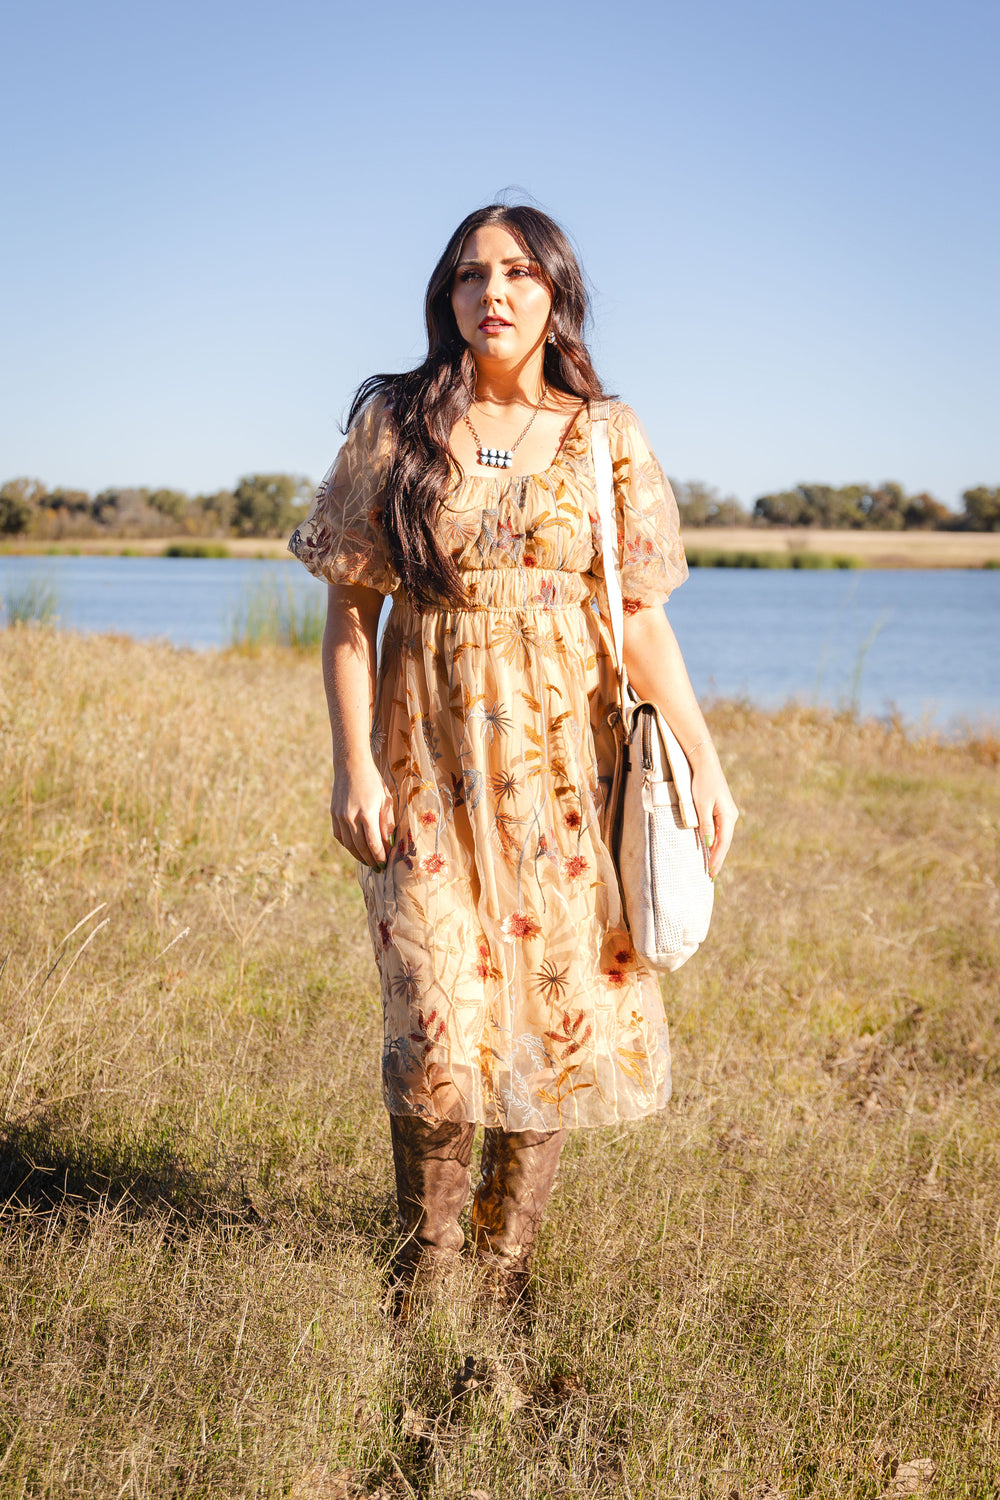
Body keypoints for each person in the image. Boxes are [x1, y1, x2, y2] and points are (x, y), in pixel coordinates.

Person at [289, 204, 739, 1307]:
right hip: (422, 768)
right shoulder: (394, 426)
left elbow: (636, 618)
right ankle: (424, 1272)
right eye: (470, 275)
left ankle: (504, 1277)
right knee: (438, 1018)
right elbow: (351, 615)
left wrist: (704, 757)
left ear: (556, 297)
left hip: (566, 777)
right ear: (445, 298)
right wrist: (353, 766)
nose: (493, 292)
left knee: (549, 1010)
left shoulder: (606, 435)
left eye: (520, 273)